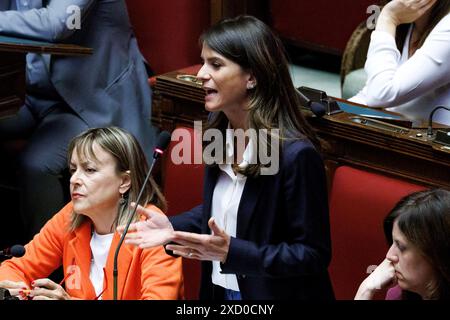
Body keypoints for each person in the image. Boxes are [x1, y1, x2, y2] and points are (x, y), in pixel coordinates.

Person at [119, 15, 335, 300]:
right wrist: (173, 227)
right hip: (220, 291)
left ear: (252, 76)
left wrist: (233, 252)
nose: (201, 74)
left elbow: (311, 254)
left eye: (216, 64)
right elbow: (224, 210)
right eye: (203, 62)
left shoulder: (295, 155)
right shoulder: (218, 132)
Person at [0, 0, 154, 238]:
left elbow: (56, 24)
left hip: (91, 102)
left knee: (37, 164)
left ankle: (49, 264)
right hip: (30, 96)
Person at [0, 127, 183, 300]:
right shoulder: (71, 216)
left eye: (89, 170)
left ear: (124, 182)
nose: (74, 180)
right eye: (73, 170)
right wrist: (20, 293)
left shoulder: (152, 229)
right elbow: (15, 268)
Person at [350, 0, 450, 125]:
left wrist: (388, 18)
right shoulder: (408, 17)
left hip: (429, 141)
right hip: (400, 132)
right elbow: (369, 93)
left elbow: (381, 94)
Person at [355, 188, 450, 300]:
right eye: (393, 242)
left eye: (401, 247)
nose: (389, 255)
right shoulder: (397, 295)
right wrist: (366, 290)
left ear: (436, 254)